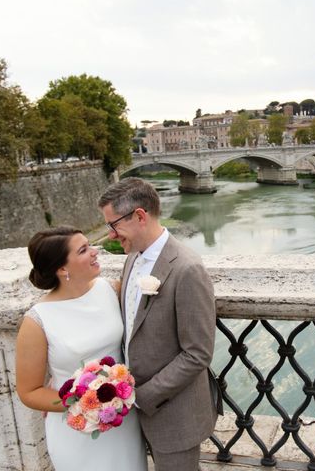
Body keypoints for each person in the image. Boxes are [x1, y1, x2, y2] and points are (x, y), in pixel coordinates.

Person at [98, 177, 219, 471]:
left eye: (114, 225)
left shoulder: (187, 268)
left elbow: (198, 353)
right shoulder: (132, 259)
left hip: (174, 413)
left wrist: (143, 396)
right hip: (132, 409)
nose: (111, 235)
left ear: (140, 216)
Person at [15, 226, 148, 471]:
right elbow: (29, 391)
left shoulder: (111, 289)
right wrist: (82, 402)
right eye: (84, 250)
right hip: (76, 429)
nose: (96, 251)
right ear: (62, 269)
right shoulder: (37, 321)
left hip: (122, 421)